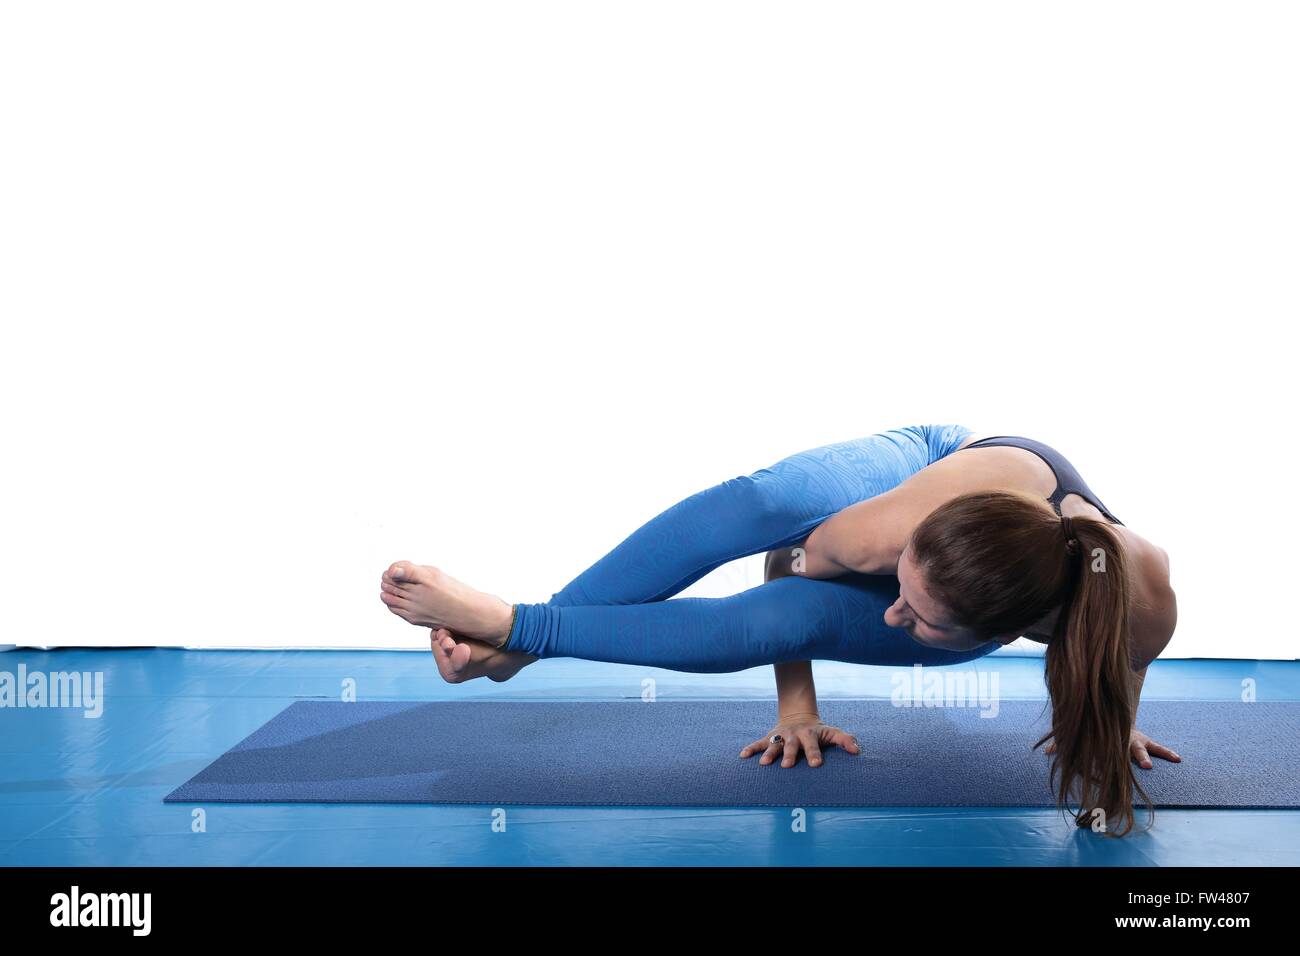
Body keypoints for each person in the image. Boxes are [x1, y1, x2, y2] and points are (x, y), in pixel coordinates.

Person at [379, 424, 1179, 836]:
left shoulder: (1137, 598)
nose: (891, 613)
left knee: (788, 621)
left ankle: (516, 638)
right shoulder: (877, 537)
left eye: (915, 617)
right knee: (757, 508)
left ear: (997, 633)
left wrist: (1118, 723)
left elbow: (1122, 654)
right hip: (930, 461)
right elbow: (781, 561)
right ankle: (514, 633)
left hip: (972, 576)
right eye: (898, 592)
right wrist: (796, 707)